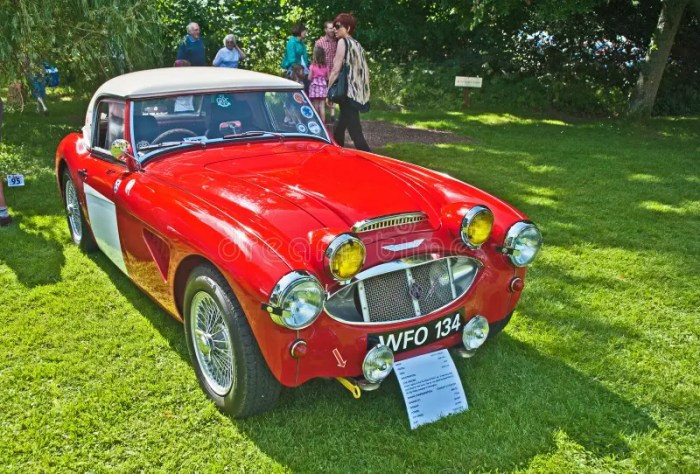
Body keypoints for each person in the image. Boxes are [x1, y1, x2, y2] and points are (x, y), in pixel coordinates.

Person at [328, 13, 371, 152]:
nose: (334, 29)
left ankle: (371, 164)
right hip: (355, 93)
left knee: (356, 134)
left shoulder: (343, 42)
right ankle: (337, 157)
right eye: (334, 26)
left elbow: (336, 69)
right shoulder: (357, 44)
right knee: (339, 129)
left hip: (347, 94)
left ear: (347, 27)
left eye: (338, 26)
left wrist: (328, 92)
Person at [315, 20, 338, 122]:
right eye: (330, 28)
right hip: (322, 74)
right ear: (325, 30)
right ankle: (321, 119)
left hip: (334, 72)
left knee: (333, 93)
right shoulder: (319, 42)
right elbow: (315, 58)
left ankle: (333, 116)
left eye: (333, 28)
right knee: (321, 97)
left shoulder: (337, 41)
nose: (332, 30)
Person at [308, 46, 329, 123]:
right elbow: (328, 78)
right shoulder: (326, 66)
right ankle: (323, 122)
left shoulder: (312, 66)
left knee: (316, 105)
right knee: (322, 106)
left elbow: (309, 78)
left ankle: (316, 121)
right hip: (323, 87)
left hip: (315, 87)